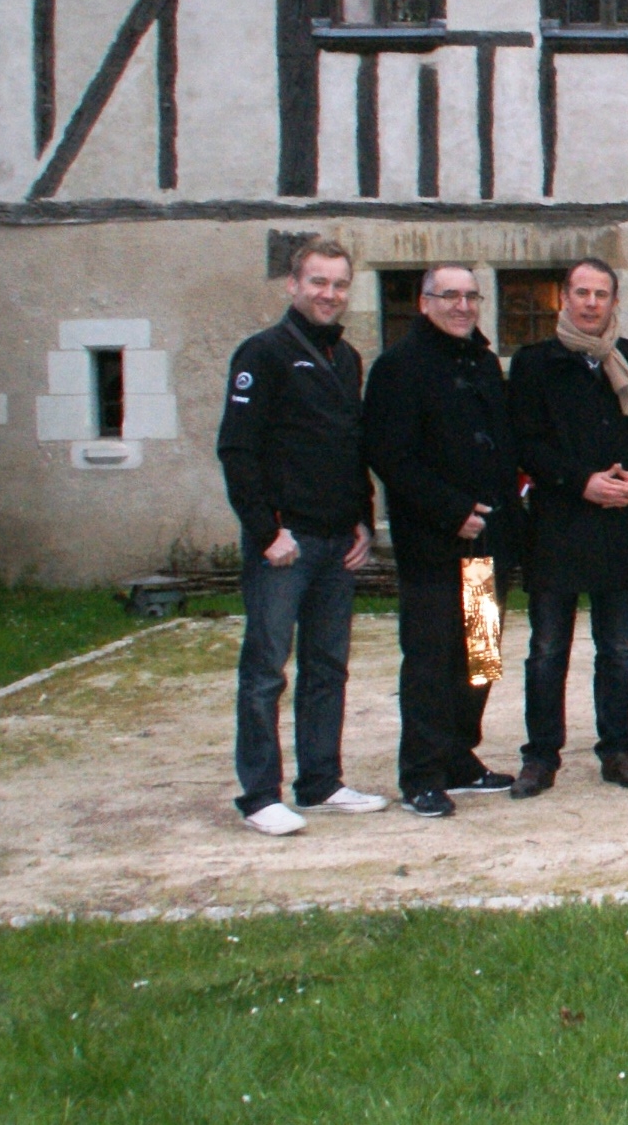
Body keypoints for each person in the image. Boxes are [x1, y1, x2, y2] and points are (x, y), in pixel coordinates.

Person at [216, 239, 385, 836]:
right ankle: (260, 794)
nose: (328, 294)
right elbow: (237, 450)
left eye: (339, 285)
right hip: (285, 545)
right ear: (293, 285)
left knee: (327, 668)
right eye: (318, 282)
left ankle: (320, 782)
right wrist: (266, 532)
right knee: (266, 669)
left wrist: (362, 518)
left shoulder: (347, 358)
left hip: (337, 542)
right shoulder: (262, 353)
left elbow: (350, 447)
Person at [363, 262, 521, 819]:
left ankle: (459, 757)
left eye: (471, 296)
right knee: (431, 661)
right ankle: (422, 773)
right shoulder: (398, 366)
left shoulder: (483, 362)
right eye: (449, 295)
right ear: (424, 302)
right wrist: (452, 511)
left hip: (487, 543)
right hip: (434, 545)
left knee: (479, 657)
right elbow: (389, 454)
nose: (462, 306)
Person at [509, 258, 628, 796]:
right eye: (581, 292)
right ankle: (540, 756)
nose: (591, 302)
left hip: (619, 525)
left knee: (616, 649)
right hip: (559, 524)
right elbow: (525, 441)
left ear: (614, 301)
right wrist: (581, 482)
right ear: (564, 298)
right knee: (548, 649)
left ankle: (617, 751)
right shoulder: (534, 362)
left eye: (601, 294)